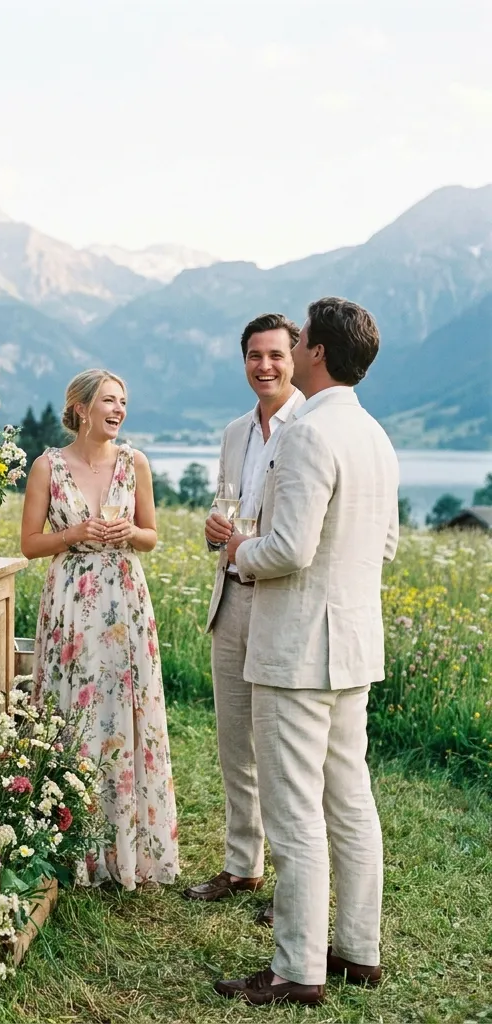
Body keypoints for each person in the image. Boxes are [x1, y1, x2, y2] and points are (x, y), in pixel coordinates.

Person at [215, 297, 399, 1006]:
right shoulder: (376, 436)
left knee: (295, 812)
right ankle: (358, 949)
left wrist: (239, 548)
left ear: (315, 352)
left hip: (295, 649)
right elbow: (381, 545)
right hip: (353, 643)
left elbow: (289, 549)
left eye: (302, 341)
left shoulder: (307, 436)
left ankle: (296, 969)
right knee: (350, 800)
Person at [22, 369, 178, 890]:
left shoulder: (136, 463)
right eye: (110, 401)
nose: (119, 410)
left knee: (124, 711)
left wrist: (129, 531)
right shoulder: (47, 466)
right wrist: (74, 533)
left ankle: (128, 846)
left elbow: (151, 535)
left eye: (124, 402)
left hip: (125, 598)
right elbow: (29, 544)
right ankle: (72, 844)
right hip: (71, 598)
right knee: (73, 710)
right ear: (82, 408)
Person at [183, 314, 304, 923]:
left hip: (280, 603)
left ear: (297, 356)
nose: (265, 366)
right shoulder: (235, 432)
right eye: (255, 355)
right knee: (235, 743)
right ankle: (242, 865)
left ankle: (294, 884)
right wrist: (214, 529)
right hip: (229, 597)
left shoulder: (309, 427)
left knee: (279, 752)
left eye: (276, 355)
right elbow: (227, 506)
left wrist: (248, 541)